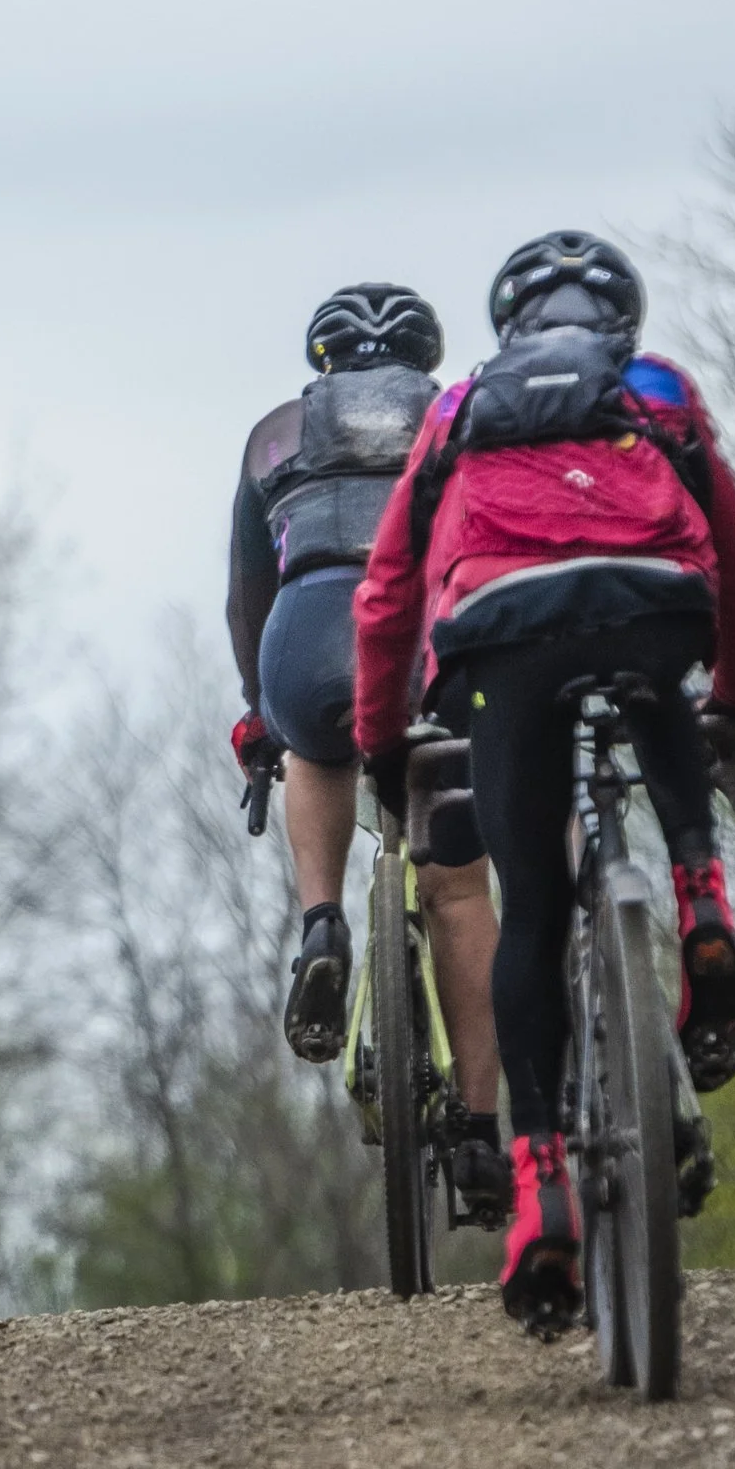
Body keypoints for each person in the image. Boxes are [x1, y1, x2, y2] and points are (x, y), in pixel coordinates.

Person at [352, 229, 735, 1332]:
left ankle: (539, 1187)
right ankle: (697, 896)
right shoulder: (658, 386)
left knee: (528, 912)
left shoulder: (457, 410)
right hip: (652, 601)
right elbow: (730, 552)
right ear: (617, 314)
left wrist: (384, 740)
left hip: (501, 635)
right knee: (662, 689)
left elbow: (387, 589)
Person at [228, 283, 506, 1199]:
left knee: (312, 743)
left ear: (321, 362)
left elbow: (245, 597)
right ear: (423, 357)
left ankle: (322, 923)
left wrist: (257, 715)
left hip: (302, 633)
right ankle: (476, 1129)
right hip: (424, 637)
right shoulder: (461, 413)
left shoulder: (273, 433)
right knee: (459, 888)